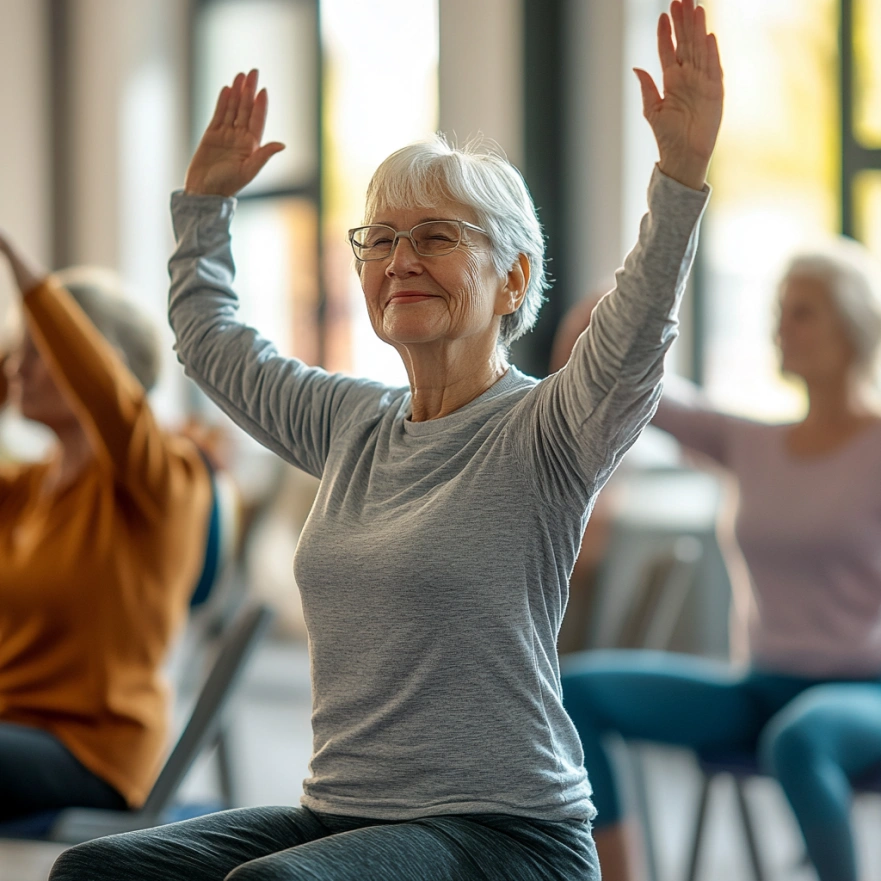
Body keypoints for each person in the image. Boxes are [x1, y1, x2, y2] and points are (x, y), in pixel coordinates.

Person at [51, 1, 721, 877]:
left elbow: (631, 333)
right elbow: (213, 342)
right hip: (344, 814)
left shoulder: (548, 430)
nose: (399, 260)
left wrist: (677, 177)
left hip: (507, 834)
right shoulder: (349, 424)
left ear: (513, 277)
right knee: (95, 871)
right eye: (381, 240)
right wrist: (204, 209)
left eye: (435, 237)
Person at [560, 235, 881, 881]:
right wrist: (614, 307)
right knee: (573, 690)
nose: (778, 328)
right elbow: (637, 382)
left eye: (801, 311)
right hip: (761, 685)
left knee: (800, 736)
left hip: (862, 691)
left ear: (850, 324)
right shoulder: (752, 442)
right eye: (777, 311)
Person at [0, 239, 213, 821]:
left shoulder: (164, 477)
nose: (17, 368)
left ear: (95, 361)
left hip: (95, 752)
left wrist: (17, 261)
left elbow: (106, 398)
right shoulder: (22, 488)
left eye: (38, 353)